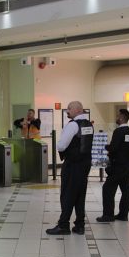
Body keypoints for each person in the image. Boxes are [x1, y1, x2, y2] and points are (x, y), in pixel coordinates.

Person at [46, 101, 93, 236]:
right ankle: (79, 225)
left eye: (69, 108)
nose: (67, 111)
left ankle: (63, 225)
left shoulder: (73, 125)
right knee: (80, 195)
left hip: (72, 164)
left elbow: (61, 146)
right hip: (85, 164)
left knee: (67, 194)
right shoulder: (89, 124)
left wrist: (60, 144)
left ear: (78, 110)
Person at [97, 109, 129, 222]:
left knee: (108, 188)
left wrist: (106, 147)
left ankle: (108, 215)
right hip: (128, 164)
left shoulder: (118, 132)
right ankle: (123, 214)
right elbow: (128, 148)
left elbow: (114, 148)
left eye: (118, 116)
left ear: (122, 118)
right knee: (125, 190)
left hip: (118, 165)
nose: (116, 118)